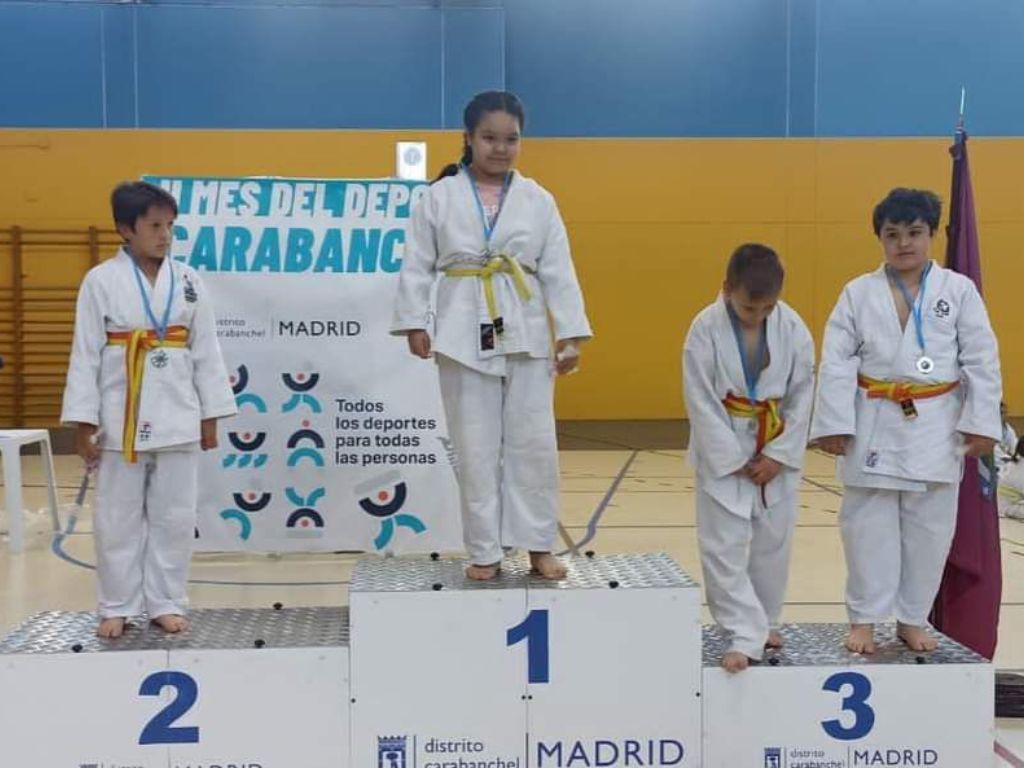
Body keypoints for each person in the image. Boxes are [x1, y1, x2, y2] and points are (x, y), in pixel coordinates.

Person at [391, 91, 592, 580]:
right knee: (475, 444)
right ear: (468, 138)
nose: (501, 148)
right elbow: (416, 265)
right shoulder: (437, 198)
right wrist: (415, 320)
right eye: (490, 138)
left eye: (511, 139)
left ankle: (539, 544)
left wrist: (570, 335)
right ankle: (484, 549)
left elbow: (558, 270)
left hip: (522, 328)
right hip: (462, 329)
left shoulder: (538, 200)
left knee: (534, 443)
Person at [810, 188, 1002, 654]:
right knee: (866, 528)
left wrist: (981, 423)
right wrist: (835, 423)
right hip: (874, 418)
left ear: (932, 234)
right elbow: (836, 361)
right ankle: (865, 619)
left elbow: (981, 359)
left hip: (936, 424)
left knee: (930, 530)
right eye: (892, 235)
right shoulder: (858, 292)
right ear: (880, 238)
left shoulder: (957, 291)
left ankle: (912, 618)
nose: (904, 244)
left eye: (915, 233)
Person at [61, 181, 237, 638]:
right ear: (125, 229)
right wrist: (84, 423)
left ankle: (166, 600)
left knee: (175, 516)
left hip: (179, 411)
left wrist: (211, 414)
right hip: (122, 414)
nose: (165, 235)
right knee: (116, 516)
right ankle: (116, 603)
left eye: (170, 226)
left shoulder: (190, 282)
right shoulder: (101, 281)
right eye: (154, 226)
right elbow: (85, 354)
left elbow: (207, 352)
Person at [683, 243, 815, 672]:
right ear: (726, 289)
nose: (757, 316)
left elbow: (803, 395)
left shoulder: (793, 327)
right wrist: (731, 455)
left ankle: (765, 618)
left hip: (774, 438)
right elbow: (699, 398)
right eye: (746, 308)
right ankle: (743, 631)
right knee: (721, 546)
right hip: (724, 443)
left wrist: (778, 454)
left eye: (765, 308)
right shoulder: (704, 328)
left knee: (773, 542)